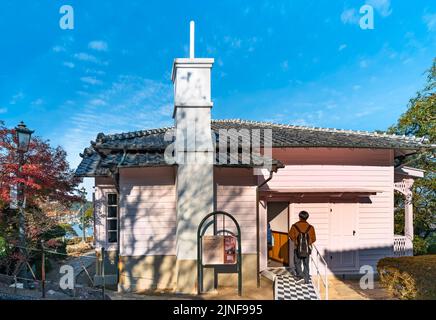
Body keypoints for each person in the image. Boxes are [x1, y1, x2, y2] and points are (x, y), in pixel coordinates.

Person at [289, 210, 316, 284]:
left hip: (297, 248)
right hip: (307, 249)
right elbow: (314, 239)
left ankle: (300, 277)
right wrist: (307, 243)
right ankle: (306, 279)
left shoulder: (294, 226)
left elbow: (291, 236)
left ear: (299, 217)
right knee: (306, 264)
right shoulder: (311, 227)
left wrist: (297, 242)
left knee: (297, 263)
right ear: (307, 217)